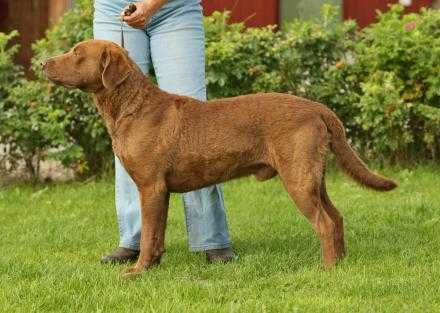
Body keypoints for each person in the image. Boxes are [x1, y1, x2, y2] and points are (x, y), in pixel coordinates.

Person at [94, 0, 236, 264]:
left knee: (197, 128)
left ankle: (211, 237)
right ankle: (135, 241)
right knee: (129, 134)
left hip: (175, 8)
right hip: (114, 7)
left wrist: (150, 5)